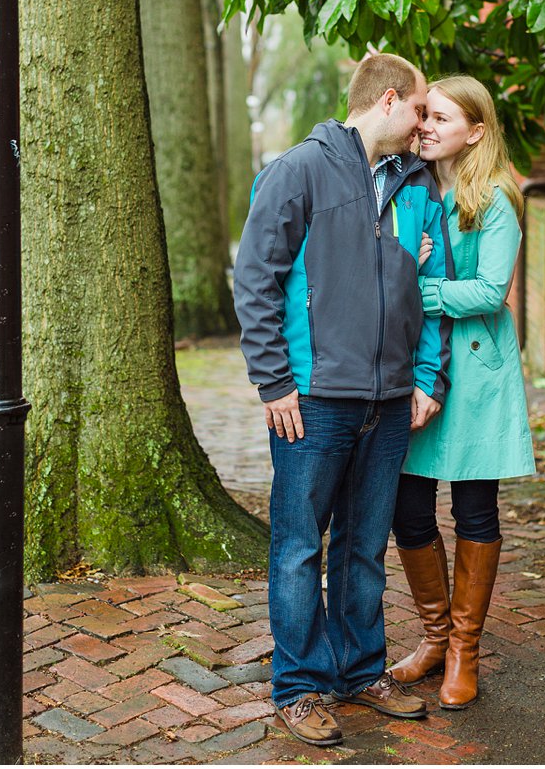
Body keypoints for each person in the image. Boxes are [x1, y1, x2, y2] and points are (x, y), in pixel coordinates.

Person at [234, 53, 453, 748]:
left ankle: (361, 670)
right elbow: (254, 277)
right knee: (300, 545)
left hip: (388, 400)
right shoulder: (298, 170)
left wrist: (425, 376)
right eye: (421, 109)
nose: (425, 125)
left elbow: (429, 289)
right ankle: (298, 686)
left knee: (363, 545)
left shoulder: (418, 182)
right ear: (389, 101)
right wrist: (273, 379)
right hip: (315, 398)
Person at [390, 75, 536, 710]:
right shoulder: (413, 188)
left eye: (441, 119)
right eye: (424, 116)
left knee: (475, 511)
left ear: (475, 131)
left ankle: (463, 651)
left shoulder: (495, 197)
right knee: (409, 509)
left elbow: (490, 290)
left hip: (477, 374)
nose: (426, 127)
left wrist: (413, 289)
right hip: (421, 368)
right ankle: (433, 635)